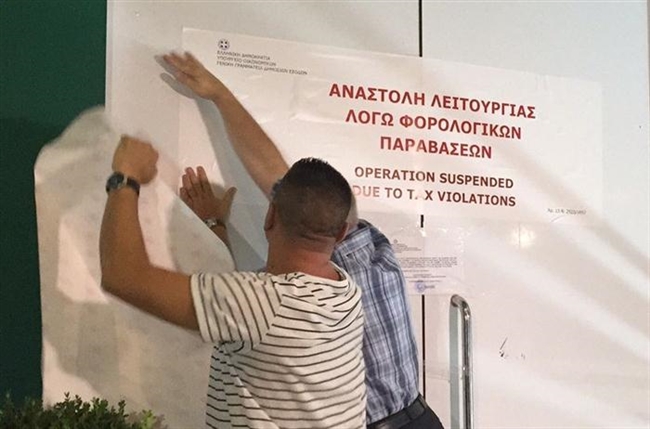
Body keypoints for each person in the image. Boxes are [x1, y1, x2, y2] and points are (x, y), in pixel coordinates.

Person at [164, 52, 445, 429]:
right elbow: (247, 301)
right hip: (422, 418)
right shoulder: (376, 257)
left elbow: (241, 304)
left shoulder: (339, 269)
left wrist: (220, 96)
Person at [100, 137, 367, 428]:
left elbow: (122, 276)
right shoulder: (346, 293)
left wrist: (125, 176)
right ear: (341, 233)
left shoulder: (264, 305)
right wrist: (213, 225)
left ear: (270, 216)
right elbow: (246, 299)